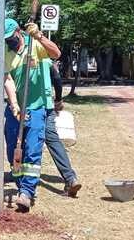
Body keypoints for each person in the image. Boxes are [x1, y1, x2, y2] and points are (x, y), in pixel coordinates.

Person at [3, 18, 61, 212]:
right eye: (6, 40)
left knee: (33, 149)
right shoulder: (5, 53)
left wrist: (39, 36)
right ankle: (20, 185)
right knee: (13, 149)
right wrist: (14, 105)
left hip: (36, 107)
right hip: (15, 108)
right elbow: (8, 79)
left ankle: (27, 192)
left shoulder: (34, 45)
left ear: (19, 32)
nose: (9, 43)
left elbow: (56, 53)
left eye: (11, 38)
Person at [44, 59, 82, 197]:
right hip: (48, 106)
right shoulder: (47, 60)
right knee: (54, 142)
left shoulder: (22, 56)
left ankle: (22, 180)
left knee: (27, 141)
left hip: (30, 108)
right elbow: (57, 79)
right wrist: (58, 99)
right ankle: (70, 178)